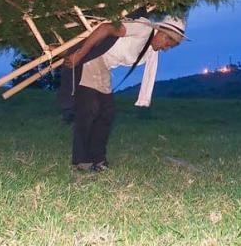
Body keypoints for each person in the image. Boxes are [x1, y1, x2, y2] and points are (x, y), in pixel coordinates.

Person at [62, 14, 187, 172]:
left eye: (172, 45)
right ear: (161, 31)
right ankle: (83, 161)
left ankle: (98, 159)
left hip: (103, 65)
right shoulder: (143, 29)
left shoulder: (151, 51)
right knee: (90, 108)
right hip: (93, 56)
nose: (167, 47)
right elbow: (105, 28)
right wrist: (80, 54)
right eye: (168, 41)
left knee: (107, 113)